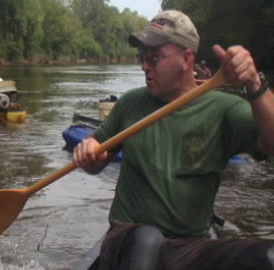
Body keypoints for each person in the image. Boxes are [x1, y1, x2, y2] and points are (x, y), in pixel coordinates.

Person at [73, 9, 274, 270]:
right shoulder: (130, 103)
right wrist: (89, 151)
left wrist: (255, 86)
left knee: (267, 258)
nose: (145, 66)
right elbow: (98, 159)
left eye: (154, 58)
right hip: (128, 238)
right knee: (147, 239)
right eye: (142, 58)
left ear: (186, 58)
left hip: (190, 247)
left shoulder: (225, 109)